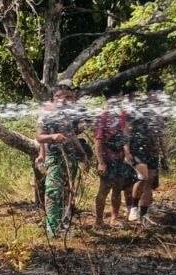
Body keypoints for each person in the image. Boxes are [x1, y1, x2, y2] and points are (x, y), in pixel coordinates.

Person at [35, 82, 88, 237]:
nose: (64, 100)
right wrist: (52, 137)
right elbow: (39, 137)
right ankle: (52, 228)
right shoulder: (46, 113)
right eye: (61, 96)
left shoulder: (69, 115)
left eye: (67, 97)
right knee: (53, 191)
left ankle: (63, 224)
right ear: (54, 97)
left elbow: (72, 136)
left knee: (67, 191)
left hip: (70, 157)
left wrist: (83, 155)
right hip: (54, 157)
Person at [127, 88, 167, 224]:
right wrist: (127, 151)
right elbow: (127, 130)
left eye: (158, 94)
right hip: (138, 149)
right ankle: (133, 207)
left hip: (153, 151)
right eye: (152, 94)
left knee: (149, 181)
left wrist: (165, 155)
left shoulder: (162, 112)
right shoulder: (139, 109)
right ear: (148, 95)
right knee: (142, 178)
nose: (155, 97)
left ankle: (144, 215)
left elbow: (161, 136)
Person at [92, 100, 135, 228]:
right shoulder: (102, 117)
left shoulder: (121, 115)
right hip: (107, 160)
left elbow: (125, 136)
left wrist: (127, 153)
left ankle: (114, 219)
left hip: (120, 159)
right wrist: (101, 162)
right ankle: (99, 221)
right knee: (104, 189)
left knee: (118, 188)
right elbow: (98, 142)